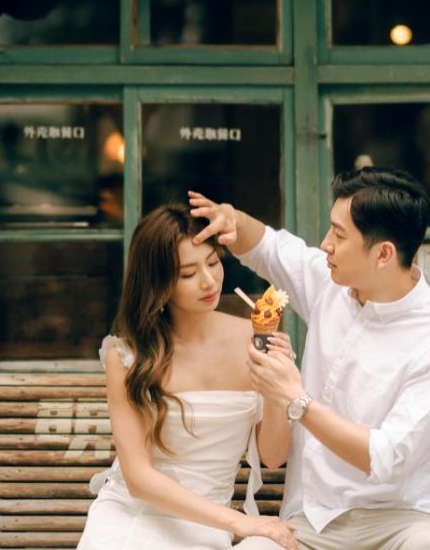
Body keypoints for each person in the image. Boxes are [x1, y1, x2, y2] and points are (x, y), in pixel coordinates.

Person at [189, 167, 430, 550]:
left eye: (339, 235)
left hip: (405, 520)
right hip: (312, 519)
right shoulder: (330, 283)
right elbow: (268, 247)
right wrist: (231, 219)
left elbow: (386, 458)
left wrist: (298, 401)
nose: (325, 244)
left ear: (383, 254)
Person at [79, 204, 298, 550]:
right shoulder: (126, 354)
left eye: (213, 262)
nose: (209, 281)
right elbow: (138, 479)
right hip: (133, 517)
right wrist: (241, 522)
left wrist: (276, 386)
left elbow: (273, 456)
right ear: (158, 282)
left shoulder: (253, 339)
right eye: (188, 273)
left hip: (206, 527)